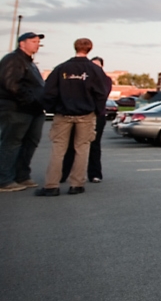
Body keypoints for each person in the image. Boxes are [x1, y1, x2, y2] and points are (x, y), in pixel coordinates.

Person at [37, 38, 108, 197]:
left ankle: (51, 185)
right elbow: (101, 93)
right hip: (86, 115)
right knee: (82, 148)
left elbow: (48, 92)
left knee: (58, 149)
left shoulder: (62, 68)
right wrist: (96, 110)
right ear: (90, 49)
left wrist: (53, 109)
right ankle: (77, 184)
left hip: (63, 114)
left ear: (74, 47)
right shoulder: (95, 70)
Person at [0, 32, 47, 193]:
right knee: (11, 143)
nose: (37, 44)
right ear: (22, 43)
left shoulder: (30, 62)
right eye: (33, 41)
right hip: (16, 109)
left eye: (38, 42)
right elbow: (11, 84)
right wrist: (30, 100)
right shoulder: (13, 59)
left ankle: (21, 175)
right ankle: (4, 179)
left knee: (30, 142)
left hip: (34, 111)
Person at [60, 56, 112, 183]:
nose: (94, 68)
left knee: (94, 145)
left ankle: (95, 174)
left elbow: (101, 96)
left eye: (97, 66)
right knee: (72, 145)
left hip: (97, 115)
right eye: (92, 65)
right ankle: (63, 173)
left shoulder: (105, 80)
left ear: (101, 67)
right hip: (80, 114)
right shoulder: (84, 78)